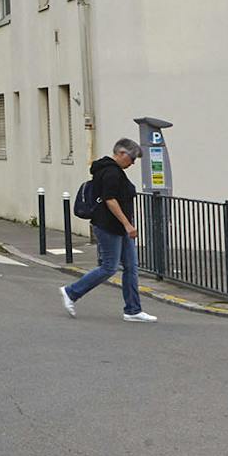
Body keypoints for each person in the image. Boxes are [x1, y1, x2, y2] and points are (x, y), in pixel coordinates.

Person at [59, 137, 157, 322]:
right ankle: (71, 292)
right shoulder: (111, 172)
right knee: (109, 267)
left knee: (131, 267)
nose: (133, 163)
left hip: (117, 227)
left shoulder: (109, 170)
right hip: (109, 226)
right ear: (121, 153)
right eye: (132, 158)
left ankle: (133, 310)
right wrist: (128, 224)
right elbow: (110, 199)